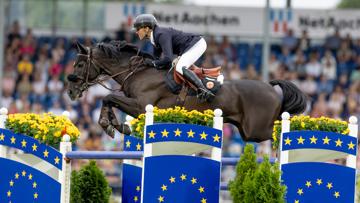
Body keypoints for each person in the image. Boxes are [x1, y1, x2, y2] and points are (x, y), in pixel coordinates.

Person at [133, 14, 214, 101]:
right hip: (188, 47)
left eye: (138, 29)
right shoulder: (154, 37)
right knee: (177, 66)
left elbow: (167, 59)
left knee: (180, 67)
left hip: (197, 44)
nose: (136, 32)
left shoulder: (161, 34)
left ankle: (203, 91)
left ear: (146, 29)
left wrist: (152, 63)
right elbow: (155, 59)